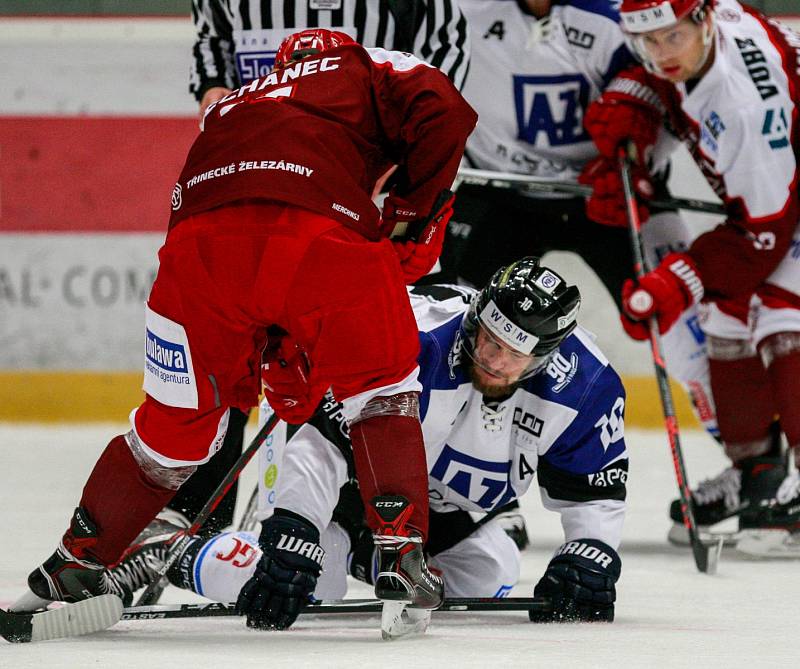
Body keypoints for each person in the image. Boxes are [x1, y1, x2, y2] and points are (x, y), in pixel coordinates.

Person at [14, 30, 478, 625]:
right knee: (379, 394)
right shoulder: (362, 65)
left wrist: (273, 354)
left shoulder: (233, 101)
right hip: (320, 236)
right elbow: (445, 107)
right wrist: (414, 210)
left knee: (169, 434)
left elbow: (251, 258)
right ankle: (398, 551)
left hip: (193, 255)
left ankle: (77, 559)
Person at [112, 259, 628, 626]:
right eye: (488, 338)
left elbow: (594, 490)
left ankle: (373, 559)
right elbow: (325, 441)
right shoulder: (411, 339)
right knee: (311, 582)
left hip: (446, 515)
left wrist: (591, 551)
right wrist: (297, 528)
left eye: (511, 352)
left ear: (544, 356)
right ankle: (167, 550)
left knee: (489, 573)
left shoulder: (585, 389)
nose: (491, 357)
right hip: (353, 491)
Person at [170, 0, 471, 538]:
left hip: (369, 189)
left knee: (387, 363)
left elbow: (444, 57)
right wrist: (217, 96)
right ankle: (191, 524)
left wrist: (404, 174)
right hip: (271, 181)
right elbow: (211, 41)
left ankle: (360, 521)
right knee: (234, 355)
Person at [433, 0, 720, 448]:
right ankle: (440, 458)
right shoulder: (463, 13)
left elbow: (664, 95)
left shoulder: (619, 18)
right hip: (499, 192)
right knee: (452, 319)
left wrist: (640, 158)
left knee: (684, 322)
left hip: (605, 191)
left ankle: (753, 462)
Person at [579, 0, 799, 544]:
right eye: (647, 41)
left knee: (779, 317)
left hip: (778, 201)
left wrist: (680, 278)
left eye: (671, 38)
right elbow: (669, 84)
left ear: (703, 20)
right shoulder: (703, 34)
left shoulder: (744, 104)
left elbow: (763, 234)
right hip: (779, 189)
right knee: (723, 320)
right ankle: (760, 479)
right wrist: (640, 110)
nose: (659, 54)